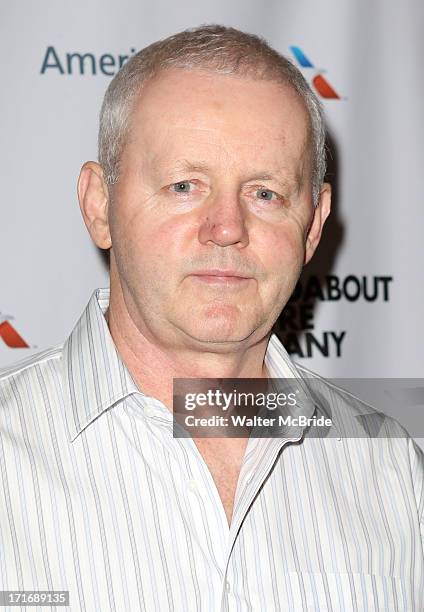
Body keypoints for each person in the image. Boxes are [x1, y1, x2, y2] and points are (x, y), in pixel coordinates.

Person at [0, 24, 423, 611]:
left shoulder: (395, 473)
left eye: (265, 194)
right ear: (100, 205)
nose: (227, 227)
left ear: (315, 223)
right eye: (184, 185)